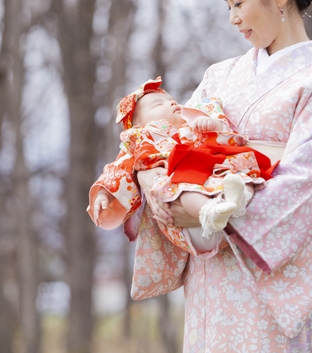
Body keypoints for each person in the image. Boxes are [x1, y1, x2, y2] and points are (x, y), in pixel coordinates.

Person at [130, 0, 312, 352]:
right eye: (228, 7)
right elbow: (168, 148)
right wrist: (176, 200)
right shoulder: (220, 76)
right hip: (209, 274)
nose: (233, 18)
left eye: (238, 3)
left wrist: (224, 213)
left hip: (265, 272)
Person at [87, 77, 276, 255]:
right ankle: (208, 211)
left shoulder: (191, 127)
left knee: (242, 173)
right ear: (137, 125)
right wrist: (105, 193)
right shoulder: (141, 139)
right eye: (158, 104)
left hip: (212, 184)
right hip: (186, 211)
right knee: (184, 188)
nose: (171, 103)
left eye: (171, 100)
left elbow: (225, 143)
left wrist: (213, 124)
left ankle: (237, 200)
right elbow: (119, 167)